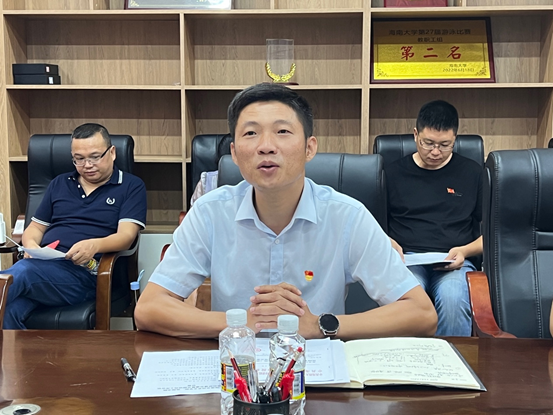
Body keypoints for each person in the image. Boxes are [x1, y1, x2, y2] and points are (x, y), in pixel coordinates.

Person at [135, 83, 437, 339]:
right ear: (234, 153)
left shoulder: (347, 216)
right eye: (250, 133)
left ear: (309, 148)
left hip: (318, 372)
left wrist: (319, 325)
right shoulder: (210, 213)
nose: (266, 146)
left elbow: (421, 313)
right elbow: (149, 308)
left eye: (282, 131)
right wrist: (241, 322)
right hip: (238, 369)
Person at [2, 123, 147, 329]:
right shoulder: (59, 183)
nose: (87, 165)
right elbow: (34, 228)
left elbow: (126, 237)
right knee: (9, 310)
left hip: (86, 274)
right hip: (43, 269)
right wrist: (32, 247)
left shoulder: (131, 186)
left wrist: (94, 245)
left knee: (21, 272)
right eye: (79, 159)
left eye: (95, 157)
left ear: (112, 152)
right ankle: (19, 352)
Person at [385, 100, 483, 337]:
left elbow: (495, 233)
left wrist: (465, 251)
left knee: (453, 300)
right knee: (408, 301)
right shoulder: (392, 173)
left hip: (455, 261)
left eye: (445, 145)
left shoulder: (473, 173)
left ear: (455, 139)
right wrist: (389, 243)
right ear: (415, 135)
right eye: (428, 143)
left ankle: (451, 360)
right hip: (408, 260)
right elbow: (371, 227)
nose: (436, 152)